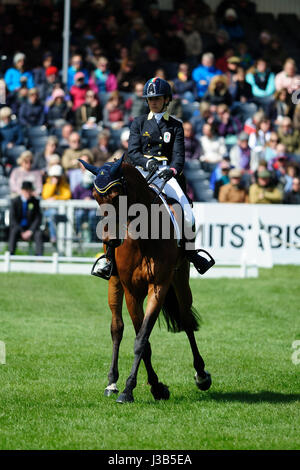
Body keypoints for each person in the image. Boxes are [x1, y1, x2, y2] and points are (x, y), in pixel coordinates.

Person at [126, 77, 215, 276]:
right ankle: (109, 259)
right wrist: (146, 162)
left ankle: (191, 253)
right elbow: (132, 151)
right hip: (141, 172)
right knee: (118, 206)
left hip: (164, 174)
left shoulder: (175, 125)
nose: (154, 101)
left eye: (158, 98)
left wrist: (172, 170)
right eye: (150, 98)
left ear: (167, 99)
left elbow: (179, 156)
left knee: (187, 212)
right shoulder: (139, 123)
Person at [9, 181, 43, 255]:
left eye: (29, 191)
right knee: (13, 231)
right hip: (19, 227)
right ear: (22, 191)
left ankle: (39, 257)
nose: (28, 193)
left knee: (38, 233)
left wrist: (30, 231)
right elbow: (13, 219)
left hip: (30, 228)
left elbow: (38, 218)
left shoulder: (35, 202)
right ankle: (10, 254)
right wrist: (21, 231)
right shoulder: (15, 201)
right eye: (26, 190)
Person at [42, 164, 71, 244]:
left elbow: (67, 195)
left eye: (58, 177)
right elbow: (46, 196)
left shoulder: (64, 184)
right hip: (48, 211)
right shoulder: (48, 184)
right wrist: (53, 184)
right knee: (53, 214)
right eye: (54, 176)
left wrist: (56, 198)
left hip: (61, 211)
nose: (56, 178)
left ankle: (63, 238)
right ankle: (53, 237)